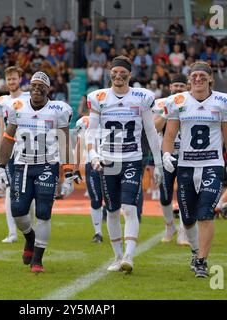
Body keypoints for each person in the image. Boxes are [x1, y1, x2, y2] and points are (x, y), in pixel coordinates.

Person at [162, 61, 227, 278]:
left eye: (202, 76)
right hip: (187, 165)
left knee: (205, 214)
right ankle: (194, 251)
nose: (197, 79)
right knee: (188, 218)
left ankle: (201, 261)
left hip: (212, 165)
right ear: (189, 80)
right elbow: (169, 135)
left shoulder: (223, 102)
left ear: (210, 79)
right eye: (194, 76)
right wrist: (166, 154)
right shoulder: (177, 101)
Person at [86, 56, 163, 274]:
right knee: (111, 210)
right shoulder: (99, 97)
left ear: (130, 75)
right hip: (108, 160)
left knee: (129, 208)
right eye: (115, 72)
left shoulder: (142, 97)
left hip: (131, 159)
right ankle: (118, 256)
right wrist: (92, 153)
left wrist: (157, 162)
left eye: (123, 73)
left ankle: (129, 256)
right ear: (109, 73)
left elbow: (150, 131)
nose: (118, 76)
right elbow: (91, 130)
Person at [0, 71, 74, 273]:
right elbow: (8, 138)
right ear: (29, 86)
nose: (37, 89)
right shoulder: (17, 107)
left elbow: (65, 142)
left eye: (42, 86)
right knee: (18, 211)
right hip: (22, 164)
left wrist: (69, 173)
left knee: (43, 212)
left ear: (49, 90)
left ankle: (38, 259)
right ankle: (30, 238)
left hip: (48, 164)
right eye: (34, 85)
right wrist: (0, 166)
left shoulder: (58, 109)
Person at [0, 66, 34, 244]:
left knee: (29, 193)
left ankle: (29, 229)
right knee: (10, 190)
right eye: (8, 79)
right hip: (11, 151)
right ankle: (12, 232)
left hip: (28, 150)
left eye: (14, 79)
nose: (11, 82)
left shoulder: (29, 97)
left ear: (20, 79)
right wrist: (2, 152)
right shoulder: (1, 101)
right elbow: (3, 128)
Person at [152, 74, 190, 245]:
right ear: (170, 87)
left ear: (187, 87)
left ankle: (183, 232)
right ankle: (170, 226)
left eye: (182, 86)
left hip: (187, 155)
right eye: (175, 86)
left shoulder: (192, 102)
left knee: (185, 194)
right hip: (165, 154)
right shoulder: (161, 103)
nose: (178, 89)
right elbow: (155, 128)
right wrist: (168, 112)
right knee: (165, 195)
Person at [73, 116, 104, 243]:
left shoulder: (112, 114)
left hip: (111, 162)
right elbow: (80, 145)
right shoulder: (84, 121)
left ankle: (115, 232)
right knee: (96, 198)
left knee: (113, 199)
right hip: (91, 164)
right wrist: (75, 169)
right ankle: (98, 233)